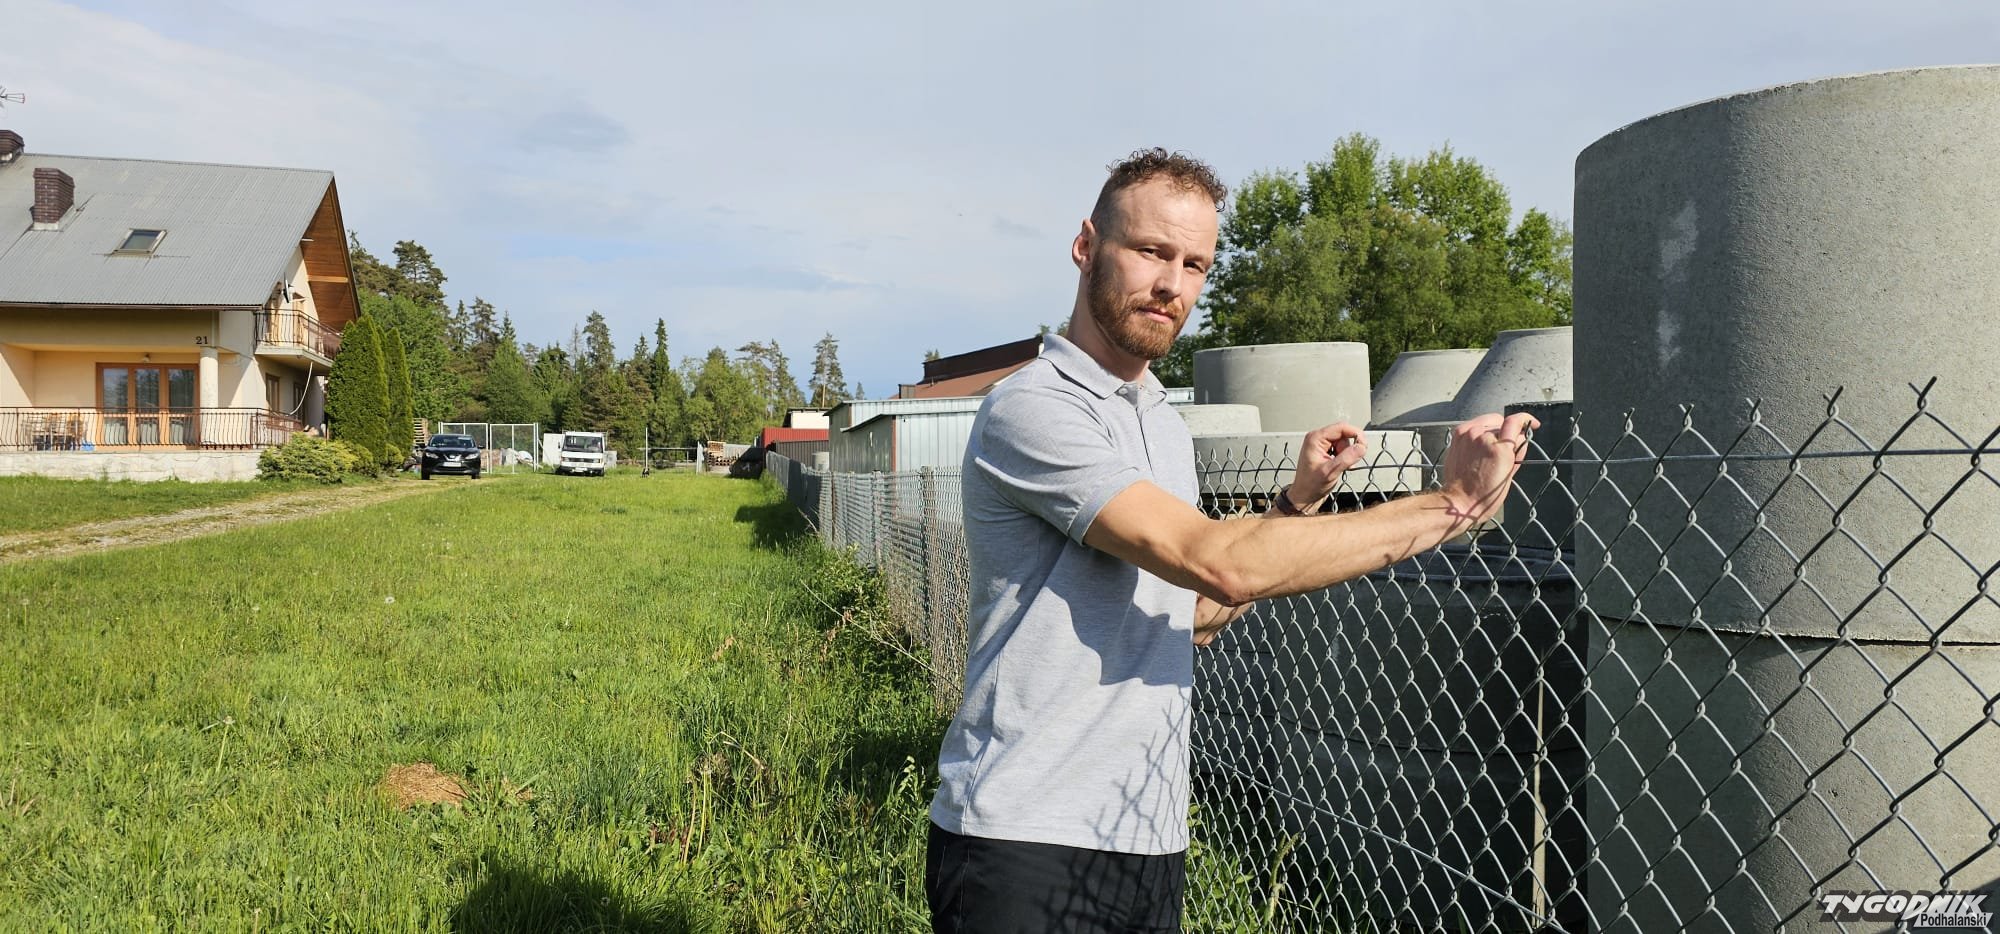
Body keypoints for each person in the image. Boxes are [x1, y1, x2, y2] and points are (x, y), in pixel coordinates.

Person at [924, 148, 1539, 933]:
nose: (1172, 285)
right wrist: (1453, 505)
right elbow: (1218, 562)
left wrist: (1296, 504)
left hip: (1146, 833)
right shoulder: (1035, 408)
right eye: (1151, 251)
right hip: (1026, 835)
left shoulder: (1162, 425)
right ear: (1085, 246)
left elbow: (1198, 613)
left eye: (1195, 265)